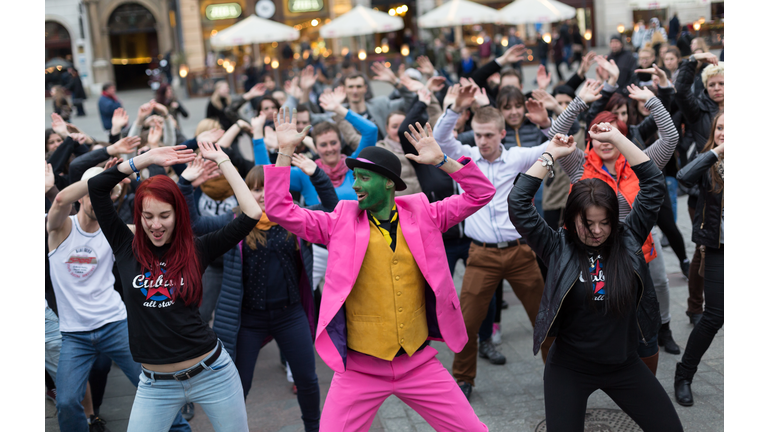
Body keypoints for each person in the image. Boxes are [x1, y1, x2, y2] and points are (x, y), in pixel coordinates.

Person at [264, 107, 494, 431]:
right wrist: (285, 151)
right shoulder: (338, 221)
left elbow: (481, 193)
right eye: (354, 176)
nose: (355, 184)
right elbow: (279, 209)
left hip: (418, 362)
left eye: (364, 177)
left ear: (389, 183)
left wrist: (444, 161)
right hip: (360, 369)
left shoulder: (423, 213)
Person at [508, 125, 683, 432]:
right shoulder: (556, 246)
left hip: (625, 364)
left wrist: (616, 138)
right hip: (570, 368)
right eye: (588, 224)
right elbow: (518, 203)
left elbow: (653, 183)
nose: (598, 231)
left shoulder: (628, 238)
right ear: (571, 218)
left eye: (605, 222)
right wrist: (550, 155)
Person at [87, 143, 261, 431]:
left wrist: (224, 160)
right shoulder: (124, 245)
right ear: (138, 216)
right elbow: (96, 187)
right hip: (156, 385)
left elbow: (252, 212)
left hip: (212, 372)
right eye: (148, 216)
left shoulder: (198, 248)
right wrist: (145, 159)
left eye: (164, 215)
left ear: (178, 214)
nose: (156, 225)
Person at [179, 159, 337, 432]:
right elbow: (192, 223)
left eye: (267, 187)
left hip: (290, 315)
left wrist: (316, 173)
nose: (262, 194)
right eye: (254, 189)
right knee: (239, 384)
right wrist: (185, 184)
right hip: (249, 320)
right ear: (243, 193)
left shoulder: (294, 216)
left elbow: (332, 209)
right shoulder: (234, 221)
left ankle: (313, 427)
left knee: (307, 379)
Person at [47, 164, 191, 432]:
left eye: (105, 192)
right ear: (81, 194)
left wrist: (178, 184)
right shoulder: (61, 228)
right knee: (66, 402)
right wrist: (109, 174)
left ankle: (180, 429)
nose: (97, 197)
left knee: (152, 387)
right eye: (91, 191)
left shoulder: (114, 232)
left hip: (115, 325)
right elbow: (59, 200)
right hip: (75, 335)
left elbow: (158, 228)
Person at [433, 86, 554, 399]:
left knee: (544, 318)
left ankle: (559, 373)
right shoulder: (465, 157)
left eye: (488, 135)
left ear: (502, 133)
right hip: (481, 255)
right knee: (467, 322)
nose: (482, 141)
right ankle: (463, 379)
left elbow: (554, 145)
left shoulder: (516, 157)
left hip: (520, 253)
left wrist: (545, 122)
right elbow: (440, 139)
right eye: (478, 135)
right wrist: (455, 109)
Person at [549, 81, 681, 367]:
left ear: (623, 136)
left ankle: (662, 332)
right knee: (603, 301)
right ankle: (604, 356)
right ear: (590, 140)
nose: (605, 141)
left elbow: (670, 138)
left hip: (639, 243)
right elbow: (554, 134)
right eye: (599, 134)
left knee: (652, 290)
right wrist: (579, 101)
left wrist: (652, 101)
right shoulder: (579, 164)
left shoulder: (639, 160)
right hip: (595, 248)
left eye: (613, 134)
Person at [674, 112, 724, 407]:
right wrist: (716, 153)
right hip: (719, 248)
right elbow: (683, 177)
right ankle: (684, 374)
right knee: (714, 316)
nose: (725, 133)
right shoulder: (708, 162)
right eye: (720, 128)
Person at [674, 52, 722, 326]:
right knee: (703, 250)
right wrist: (693, 60)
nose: (716, 88)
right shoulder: (699, 110)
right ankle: (695, 307)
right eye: (712, 84)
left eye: (722, 84)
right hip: (705, 192)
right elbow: (680, 89)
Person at [376, 110, 422, 195]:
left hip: (424, 198)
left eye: (403, 126)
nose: (399, 130)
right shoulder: (381, 148)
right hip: (398, 201)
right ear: (387, 129)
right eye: (394, 126)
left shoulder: (420, 143)